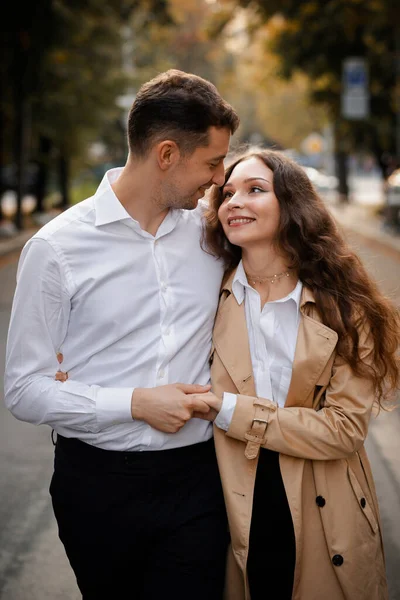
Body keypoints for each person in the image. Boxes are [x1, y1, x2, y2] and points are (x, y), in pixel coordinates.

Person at [4, 69, 239, 600]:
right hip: (97, 486)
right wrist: (133, 403)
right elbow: (23, 388)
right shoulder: (56, 248)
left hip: (198, 478)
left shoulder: (215, 235)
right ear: (166, 154)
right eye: (212, 161)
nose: (220, 177)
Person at [194, 148, 399, 600]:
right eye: (227, 194)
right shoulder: (206, 298)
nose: (234, 202)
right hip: (231, 500)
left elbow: (344, 429)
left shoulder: (345, 309)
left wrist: (228, 410)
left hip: (324, 503)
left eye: (255, 190)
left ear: (292, 204)